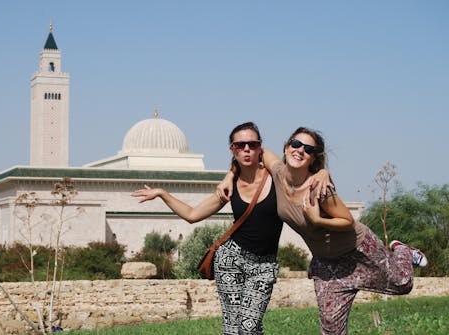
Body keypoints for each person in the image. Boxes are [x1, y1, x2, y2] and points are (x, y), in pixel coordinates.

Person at [218, 126, 428, 335]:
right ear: (286, 147)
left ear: (313, 159)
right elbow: (253, 151)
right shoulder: (278, 171)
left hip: (358, 250)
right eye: (296, 144)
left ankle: (403, 251)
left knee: (403, 283)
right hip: (327, 264)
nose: (300, 150)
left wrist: (317, 219)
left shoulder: (320, 188)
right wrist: (230, 175)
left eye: (308, 149)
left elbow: (347, 220)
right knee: (331, 329)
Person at [131, 122, 330, 335]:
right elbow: (192, 215)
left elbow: (301, 170)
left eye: (252, 144)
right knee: (233, 328)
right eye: (240, 145)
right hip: (230, 260)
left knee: (250, 326)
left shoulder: (275, 175)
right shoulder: (230, 186)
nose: (246, 149)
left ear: (259, 147)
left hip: (264, 266)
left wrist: (323, 172)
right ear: (232, 149)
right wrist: (163, 193)